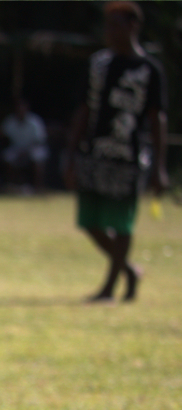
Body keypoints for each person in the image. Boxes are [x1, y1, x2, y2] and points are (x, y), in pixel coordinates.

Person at [64, 1, 168, 303]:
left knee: (122, 223)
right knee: (90, 221)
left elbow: (157, 118)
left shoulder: (150, 70)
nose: (108, 32)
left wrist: (160, 167)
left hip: (129, 156)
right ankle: (129, 270)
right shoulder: (99, 64)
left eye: (115, 25)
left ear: (133, 26)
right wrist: (71, 154)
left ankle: (111, 286)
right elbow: (83, 110)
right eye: (106, 25)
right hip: (95, 152)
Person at [1, 98, 49, 192]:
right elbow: (3, 136)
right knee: (7, 156)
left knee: (39, 156)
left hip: (33, 148)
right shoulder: (10, 121)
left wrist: (25, 151)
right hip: (16, 149)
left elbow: (40, 140)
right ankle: (12, 186)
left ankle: (38, 187)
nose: (20, 110)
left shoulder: (35, 121)